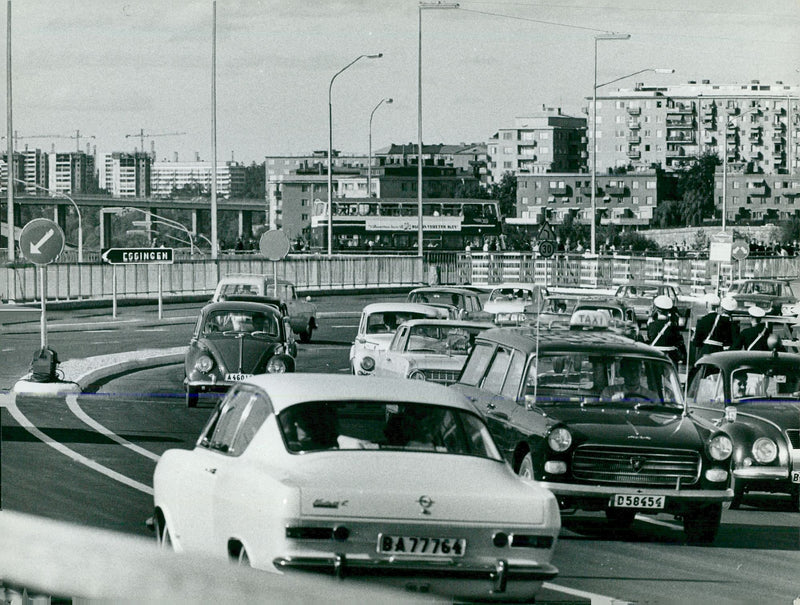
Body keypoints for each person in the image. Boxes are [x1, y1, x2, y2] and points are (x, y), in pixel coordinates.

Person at [647, 295, 686, 366]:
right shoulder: (673, 326)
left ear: (656, 309)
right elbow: (678, 340)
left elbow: (650, 337)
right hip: (671, 356)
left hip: (656, 355)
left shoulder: (651, 325)